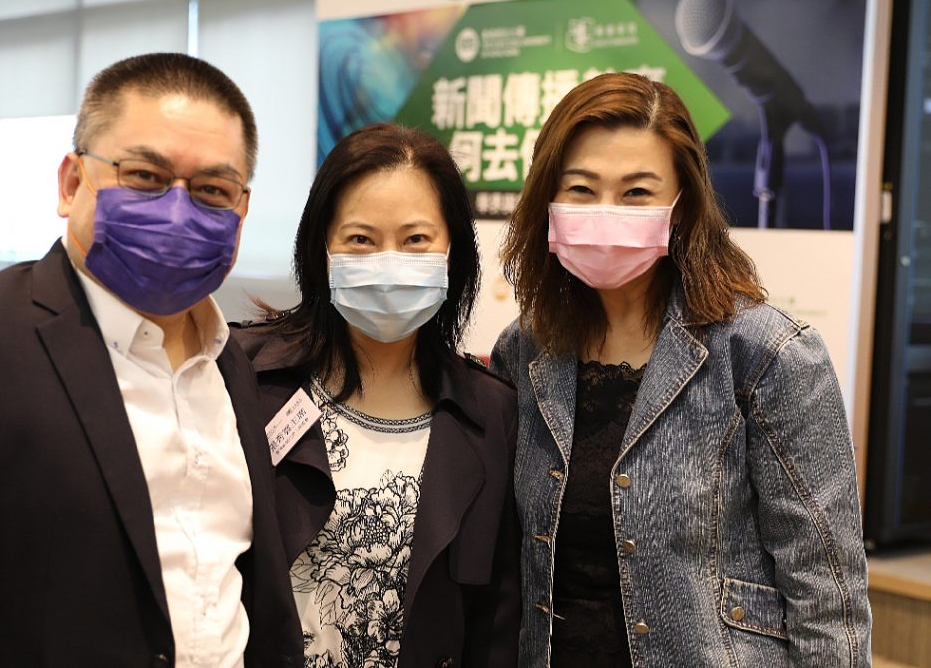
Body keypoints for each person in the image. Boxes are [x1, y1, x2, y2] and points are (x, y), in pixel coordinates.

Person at [0, 53, 300, 667]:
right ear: (72, 183)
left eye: (211, 190)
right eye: (145, 176)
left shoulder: (228, 364)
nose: (178, 210)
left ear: (242, 210)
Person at [491, 72, 871, 667]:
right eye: (582, 190)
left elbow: (828, 593)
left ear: (681, 205)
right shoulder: (525, 351)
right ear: (548, 200)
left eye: (637, 193)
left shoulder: (766, 354)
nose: (605, 213)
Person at [232, 122, 520, 668]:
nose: (389, 261)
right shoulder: (244, 375)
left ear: (453, 250)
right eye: (360, 239)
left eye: (416, 240)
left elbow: (495, 619)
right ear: (321, 249)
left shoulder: (492, 414)